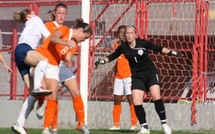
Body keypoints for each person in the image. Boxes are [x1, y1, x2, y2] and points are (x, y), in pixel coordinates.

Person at [95, 25, 183, 134]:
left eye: (131, 33)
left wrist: (171, 52)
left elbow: (158, 48)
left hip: (150, 73)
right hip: (137, 75)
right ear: (125, 35)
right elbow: (112, 56)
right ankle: (144, 128)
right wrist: (102, 61)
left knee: (156, 96)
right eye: (127, 33)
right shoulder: (123, 47)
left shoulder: (143, 43)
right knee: (136, 101)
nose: (129, 35)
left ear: (135, 34)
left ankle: (164, 124)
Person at [11, 8, 74, 134]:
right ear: (29, 15)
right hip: (24, 49)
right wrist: (66, 42)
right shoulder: (35, 19)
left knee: (33, 95)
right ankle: (39, 86)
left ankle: (19, 123)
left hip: (19, 54)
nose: (36, 13)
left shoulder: (28, 24)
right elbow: (49, 37)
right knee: (44, 60)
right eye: (33, 12)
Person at [36, 18, 92, 134]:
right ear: (80, 32)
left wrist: (69, 62)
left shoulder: (75, 45)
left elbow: (68, 58)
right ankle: (46, 122)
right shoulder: (65, 29)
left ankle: (81, 123)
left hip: (57, 65)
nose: (85, 40)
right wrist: (66, 42)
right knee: (50, 94)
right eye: (85, 37)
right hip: (44, 60)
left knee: (75, 91)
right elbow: (53, 38)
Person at [109, 25, 137, 130]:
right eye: (119, 32)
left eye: (122, 32)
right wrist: (113, 73)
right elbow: (117, 60)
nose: (120, 35)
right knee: (116, 100)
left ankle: (134, 124)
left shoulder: (131, 46)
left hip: (129, 76)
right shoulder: (116, 45)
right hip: (118, 77)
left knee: (131, 100)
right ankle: (116, 125)